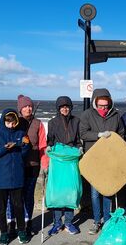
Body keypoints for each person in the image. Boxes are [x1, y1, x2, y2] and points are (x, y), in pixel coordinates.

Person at [79, 88, 125, 235]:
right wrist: (99, 135)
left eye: (106, 105)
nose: (104, 108)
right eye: (100, 106)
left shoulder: (116, 115)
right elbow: (83, 134)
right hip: (94, 159)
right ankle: (96, 221)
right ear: (95, 103)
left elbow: (122, 133)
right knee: (94, 194)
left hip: (110, 159)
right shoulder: (87, 114)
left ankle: (107, 220)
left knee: (108, 191)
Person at [0, 109, 31, 245]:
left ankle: (21, 231)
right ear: (3, 121)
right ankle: (4, 233)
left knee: (18, 206)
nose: (10, 125)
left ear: (16, 121)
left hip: (17, 178)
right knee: (2, 208)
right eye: (8, 122)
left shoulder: (21, 133)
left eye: (13, 122)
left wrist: (25, 145)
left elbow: (24, 154)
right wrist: (5, 148)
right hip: (1, 179)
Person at [6, 95, 47, 236]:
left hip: (33, 165)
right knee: (14, 196)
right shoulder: (15, 121)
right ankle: (11, 224)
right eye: (25, 107)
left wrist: (45, 163)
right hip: (16, 165)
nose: (28, 109)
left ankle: (27, 223)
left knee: (28, 196)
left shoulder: (38, 123)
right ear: (20, 109)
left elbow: (42, 145)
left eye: (30, 106)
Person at [46, 96, 81, 236]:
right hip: (58, 159)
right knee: (57, 192)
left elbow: (78, 140)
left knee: (70, 192)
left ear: (70, 108)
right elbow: (50, 139)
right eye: (62, 107)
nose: (65, 109)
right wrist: (48, 147)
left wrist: (80, 148)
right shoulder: (52, 122)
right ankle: (57, 223)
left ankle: (68, 222)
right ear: (58, 108)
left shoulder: (76, 121)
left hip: (71, 159)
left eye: (67, 107)